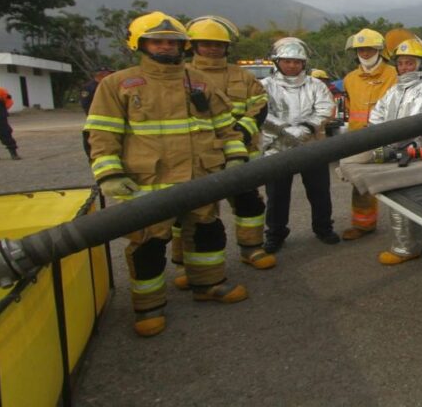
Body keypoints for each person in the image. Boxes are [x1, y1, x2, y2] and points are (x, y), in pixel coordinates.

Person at [83, 12, 249, 337]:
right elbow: (102, 134)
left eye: (171, 41)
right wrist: (110, 175)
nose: (165, 46)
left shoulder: (199, 82)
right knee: (148, 243)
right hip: (148, 183)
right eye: (157, 41)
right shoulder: (119, 84)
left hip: (200, 176)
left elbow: (225, 128)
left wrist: (235, 159)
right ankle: (149, 306)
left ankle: (209, 284)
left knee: (207, 233)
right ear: (140, 44)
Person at [167, 15, 274, 288]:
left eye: (218, 44)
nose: (213, 49)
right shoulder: (181, 77)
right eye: (206, 44)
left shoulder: (243, 76)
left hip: (241, 153)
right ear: (193, 45)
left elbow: (259, 105)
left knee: (249, 205)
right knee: (190, 213)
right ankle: (184, 264)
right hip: (199, 158)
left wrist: (238, 134)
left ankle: (251, 249)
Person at [260, 37, 338, 253]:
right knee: (277, 196)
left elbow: (325, 108)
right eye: (287, 61)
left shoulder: (316, 85)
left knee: (320, 192)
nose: (292, 65)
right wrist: (286, 131)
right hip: (277, 149)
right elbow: (261, 112)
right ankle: (275, 234)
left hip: (312, 148)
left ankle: (323, 228)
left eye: (297, 61)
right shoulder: (263, 86)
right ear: (277, 62)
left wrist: (304, 129)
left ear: (304, 63)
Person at [372, 36, 422, 265]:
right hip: (394, 151)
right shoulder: (394, 90)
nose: (404, 67)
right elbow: (377, 115)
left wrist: (403, 145)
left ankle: (405, 248)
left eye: (409, 63)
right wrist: (378, 139)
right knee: (410, 199)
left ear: (421, 65)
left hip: (415, 152)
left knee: (404, 200)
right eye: (401, 63)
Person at [339, 28, 397, 240]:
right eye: (361, 49)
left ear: (379, 50)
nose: (364, 53)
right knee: (360, 184)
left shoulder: (394, 74)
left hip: (388, 137)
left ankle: (404, 232)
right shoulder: (350, 79)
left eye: (369, 49)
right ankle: (363, 225)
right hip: (359, 139)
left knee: (396, 183)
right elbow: (350, 107)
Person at [80, 67, 113, 157]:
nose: (111, 75)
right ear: (101, 74)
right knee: (94, 145)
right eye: (108, 73)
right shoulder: (89, 87)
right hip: (96, 121)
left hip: (110, 121)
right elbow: (86, 104)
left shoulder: (109, 86)